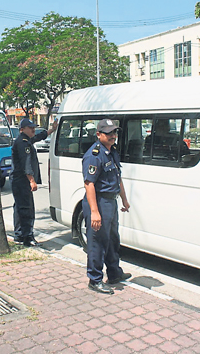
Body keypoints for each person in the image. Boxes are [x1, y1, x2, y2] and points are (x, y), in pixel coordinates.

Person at [82, 119, 132, 294]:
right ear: (98, 134)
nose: (113, 136)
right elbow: (89, 185)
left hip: (111, 201)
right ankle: (95, 279)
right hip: (99, 202)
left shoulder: (112, 152)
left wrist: (124, 199)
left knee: (112, 239)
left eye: (114, 133)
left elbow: (117, 177)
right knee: (97, 242)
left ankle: (114, 273)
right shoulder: (94, 155)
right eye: (109, 133)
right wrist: (95, 212)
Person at [11, 118, 58, 247]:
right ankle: (27, 237)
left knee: (20, 207)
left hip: (19, 181)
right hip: (22, 181)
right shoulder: (23, 143)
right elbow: (26, 164)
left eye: (33, 127)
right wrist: (32, 181)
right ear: (22, 129)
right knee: (27, 209)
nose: (33, 129)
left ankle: (19, 235)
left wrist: (51, 130)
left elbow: (38, 137)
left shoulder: (25, 139)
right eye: (30, 127)